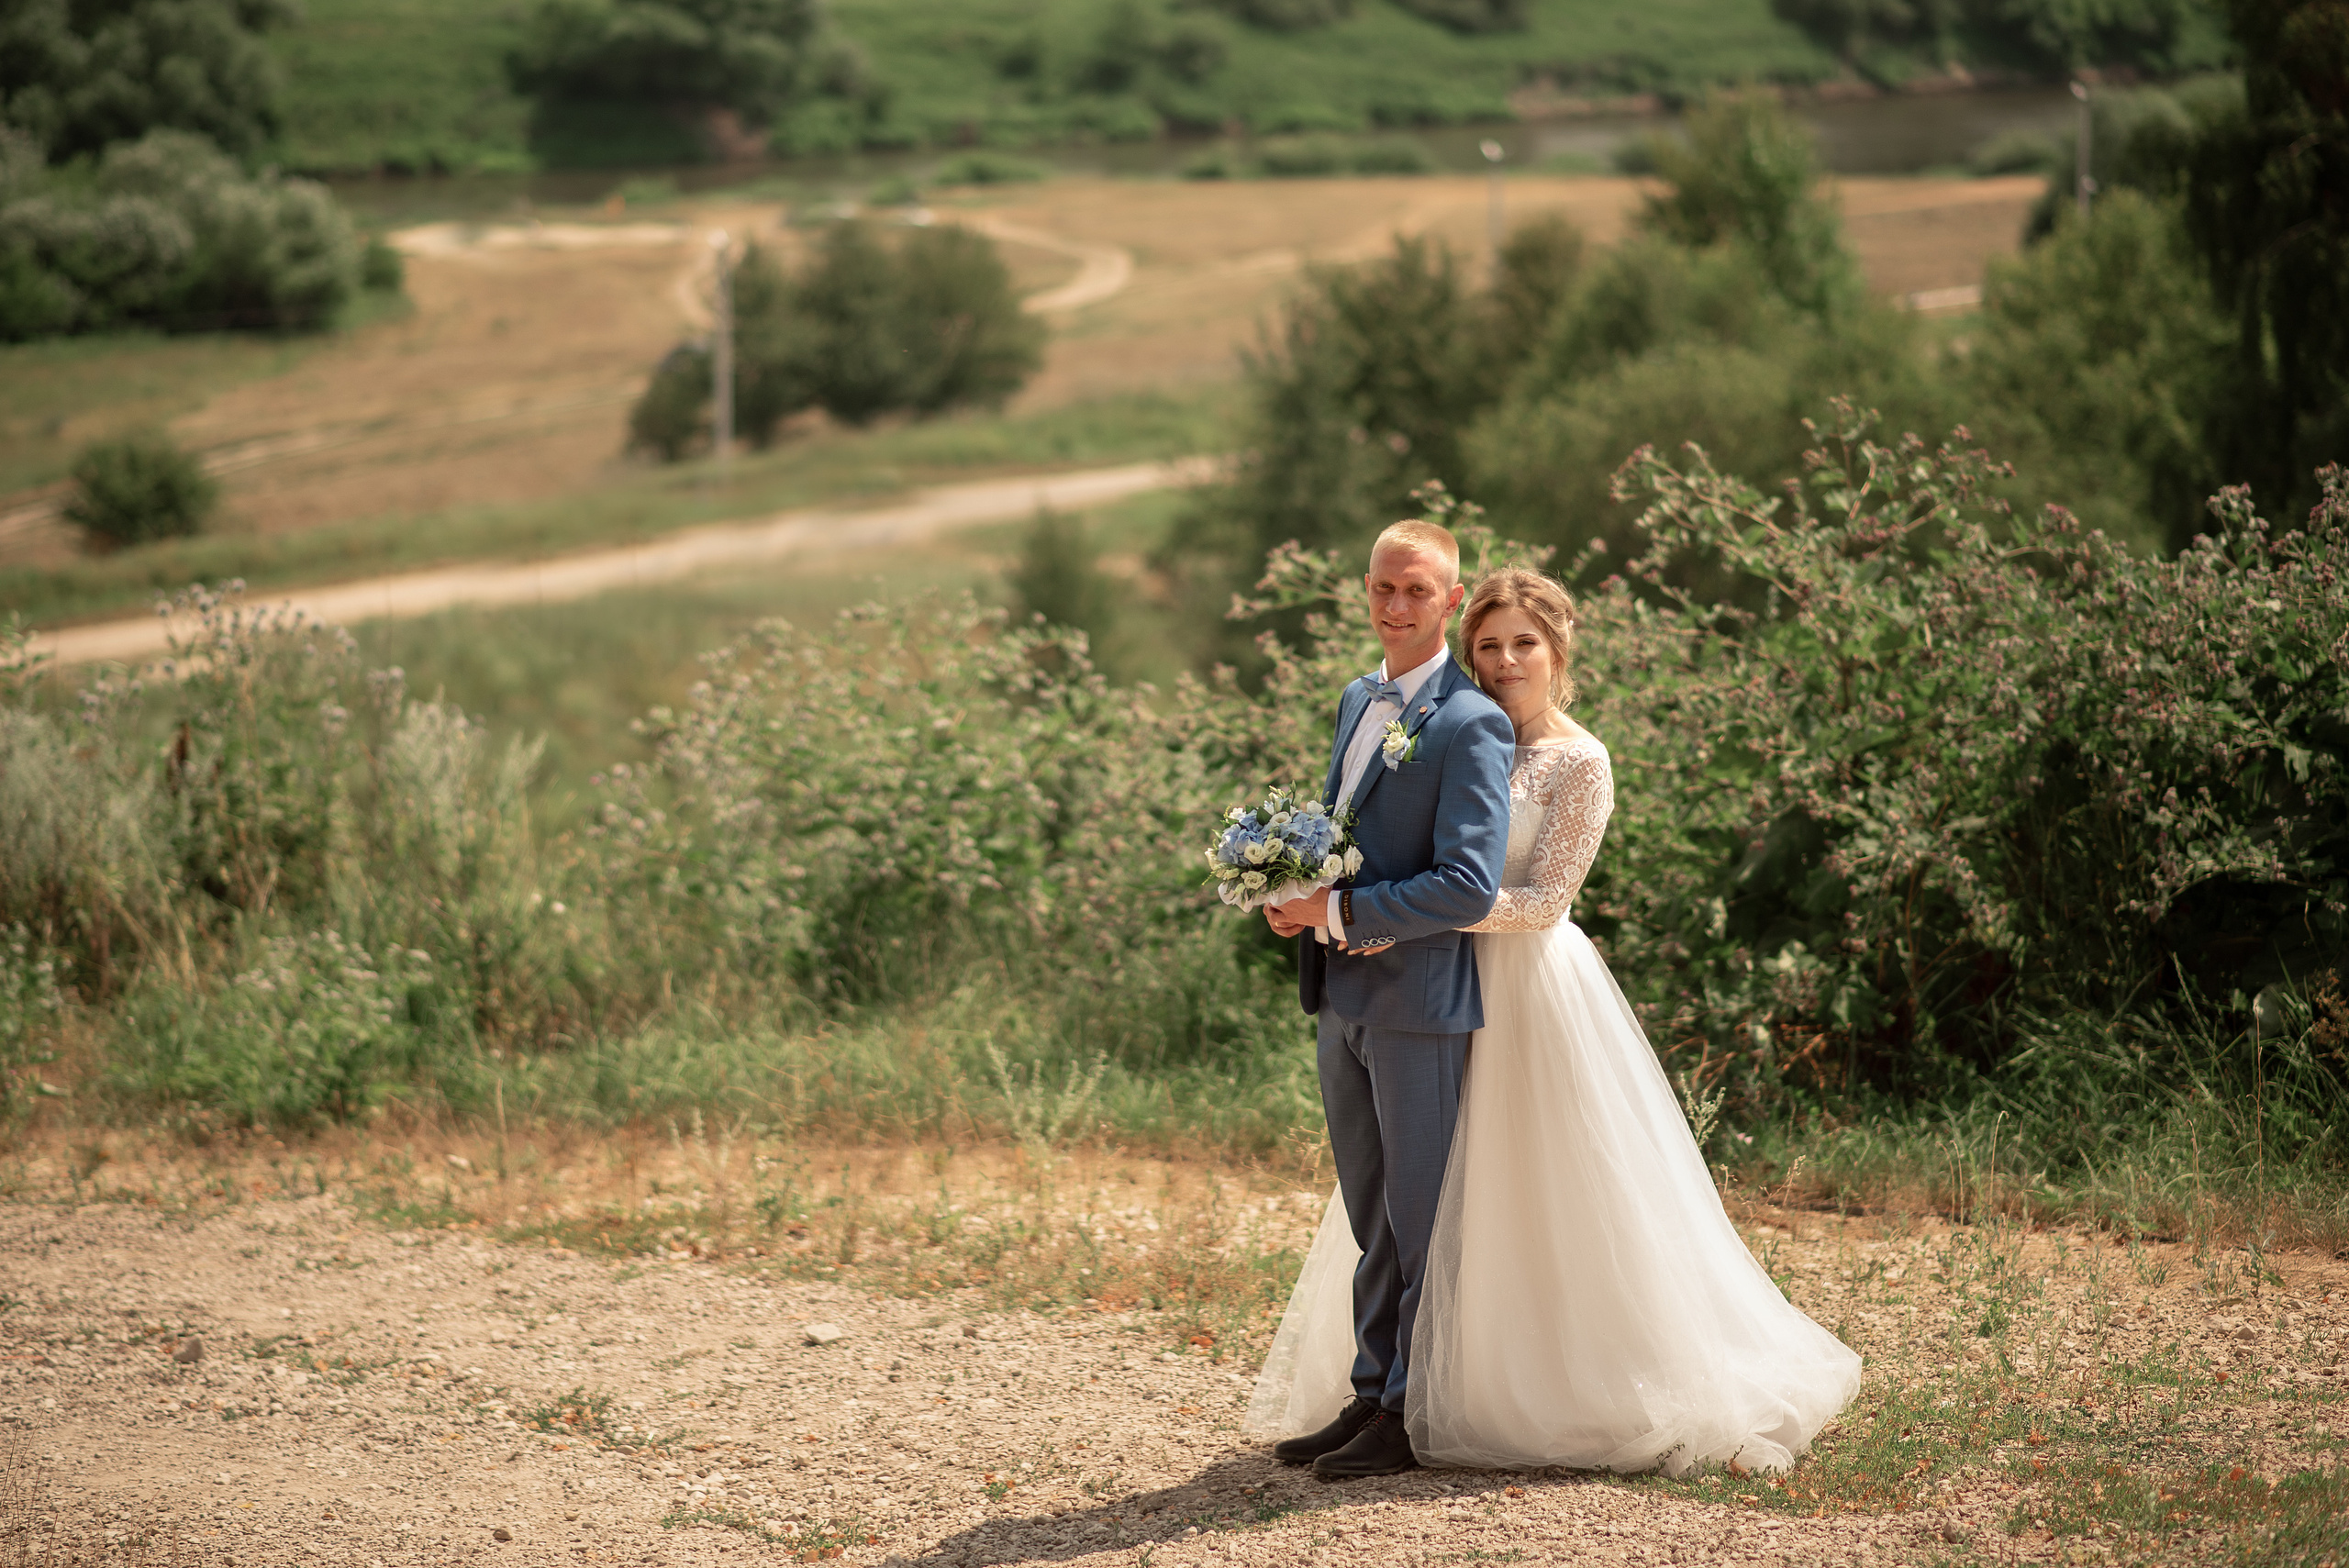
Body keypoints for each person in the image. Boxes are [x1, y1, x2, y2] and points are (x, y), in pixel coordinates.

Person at [1249, 566, 1862, 1478]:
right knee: (1414, 1195)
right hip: (1428, 978)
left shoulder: (1579, 760)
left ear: (1557, 651)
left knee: (1527, 1191)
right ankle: (1390, 1389)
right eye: (1488, 645)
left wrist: (1385, 914)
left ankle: (1506, 1388)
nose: (1502, 661)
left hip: (1527, 989)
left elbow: (1543, 901)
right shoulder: (1453, 732)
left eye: (1521, 644)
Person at [1259, 518, 1517, 1480]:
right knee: (1368, 1209)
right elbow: (1344, 834)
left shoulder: (1469, 720)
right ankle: (1369, 1389)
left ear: (1451, 601)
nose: (1396, 605)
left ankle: (1412, 1410)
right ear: (1364, 591)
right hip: (1343, 996)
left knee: (1420, 1216)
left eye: (1417, 591)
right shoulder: (1354, 697)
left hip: (1419, 1002)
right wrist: (1291, 897)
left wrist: (1341, 906)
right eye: (1382, 587)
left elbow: (1467, 885)